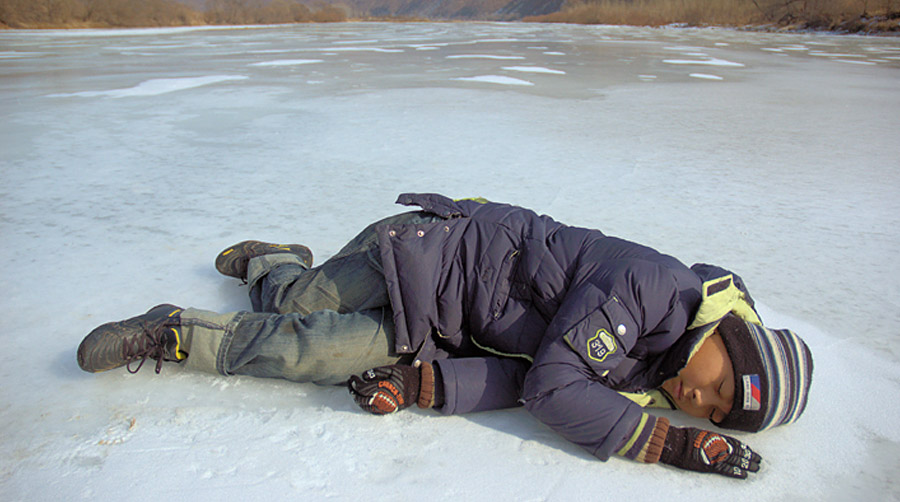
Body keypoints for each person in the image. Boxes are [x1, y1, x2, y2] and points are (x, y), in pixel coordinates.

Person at [77, 193, 813, 479]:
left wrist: (426, 384)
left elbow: (530, 378)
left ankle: (170, 334)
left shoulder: (653, 370)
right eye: (719, 387)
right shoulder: (655, 290)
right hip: (429, 252)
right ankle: (275, 264)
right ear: (731, 337)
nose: (698, 399)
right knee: (296, 303)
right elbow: (556, 385)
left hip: (435, 328)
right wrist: (665, 442)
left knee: (309, 353)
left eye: (714, 413)